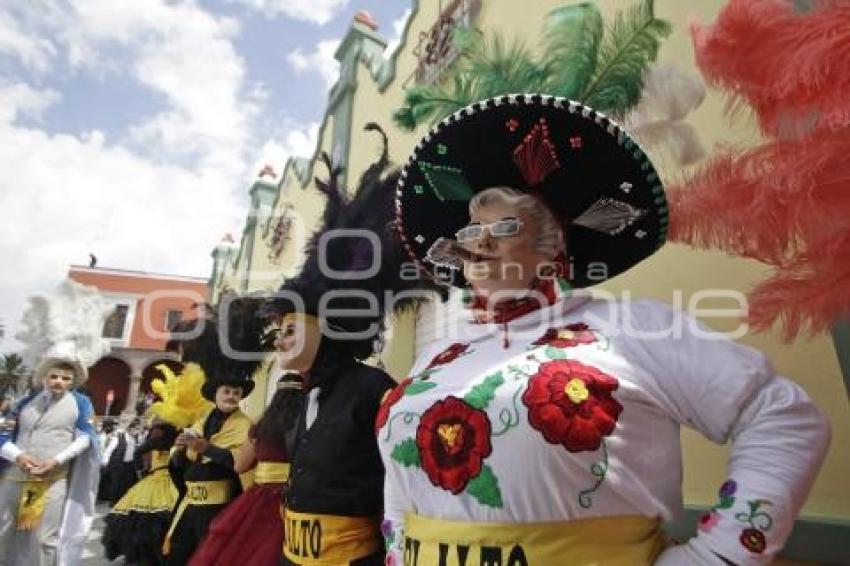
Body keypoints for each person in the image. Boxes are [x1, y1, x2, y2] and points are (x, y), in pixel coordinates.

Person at [380, 95, 831, 565]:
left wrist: (718, 555)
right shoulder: (436, 356)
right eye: (471, 231)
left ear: (551, 247)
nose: (481, 241)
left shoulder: (633, 328)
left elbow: (779, 413)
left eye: (505, 225)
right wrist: (396, 548)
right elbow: (397, 464)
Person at [188, 372, 304, 566]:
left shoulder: (260, 428)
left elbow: (240, 465)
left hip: (263, 497)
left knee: (247, 549)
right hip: (298, 496)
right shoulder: (310, 425)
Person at [0, 358, 99, 566]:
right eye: (54, 376)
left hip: (48, 481)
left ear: (72, 382)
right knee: (4, 530)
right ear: (44, 377)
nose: (59, 382)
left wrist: (56, 461)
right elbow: (3, 437)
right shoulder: (24, 403)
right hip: (15, 477)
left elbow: (85, 438)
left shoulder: (80, 403)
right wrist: (18, 456)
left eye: (65, 378)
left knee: (40, 537)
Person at [162, 368, 253, 565]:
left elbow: (241, 463)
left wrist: (207, 448)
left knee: (212, 556)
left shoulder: (246, 425)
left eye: (236, 393)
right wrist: (179, 450)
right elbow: (182, 464)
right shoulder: (200, 423)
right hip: (189, 504)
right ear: (216, 394)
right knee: (178, 552)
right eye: (227, 391)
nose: (232, 397)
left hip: (220, 508)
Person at [102, 418, 178, 565]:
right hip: (172, 482)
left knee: (142, 520)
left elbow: (138, 452)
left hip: (154, 479)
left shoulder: (158, 435)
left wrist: (141, 472)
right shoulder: (178, 435)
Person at [102, 418, 142, 506]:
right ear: (131, 428)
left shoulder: (135, 439)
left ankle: (122, 503)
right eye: (136, 428)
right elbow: (109, 450)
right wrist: (105, 461)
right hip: (118, 464)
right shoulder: (119, 437)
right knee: (116, 484)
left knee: (126, 484)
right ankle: (113, 503)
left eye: (138, 429)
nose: (137, 431)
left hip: (129, 465)